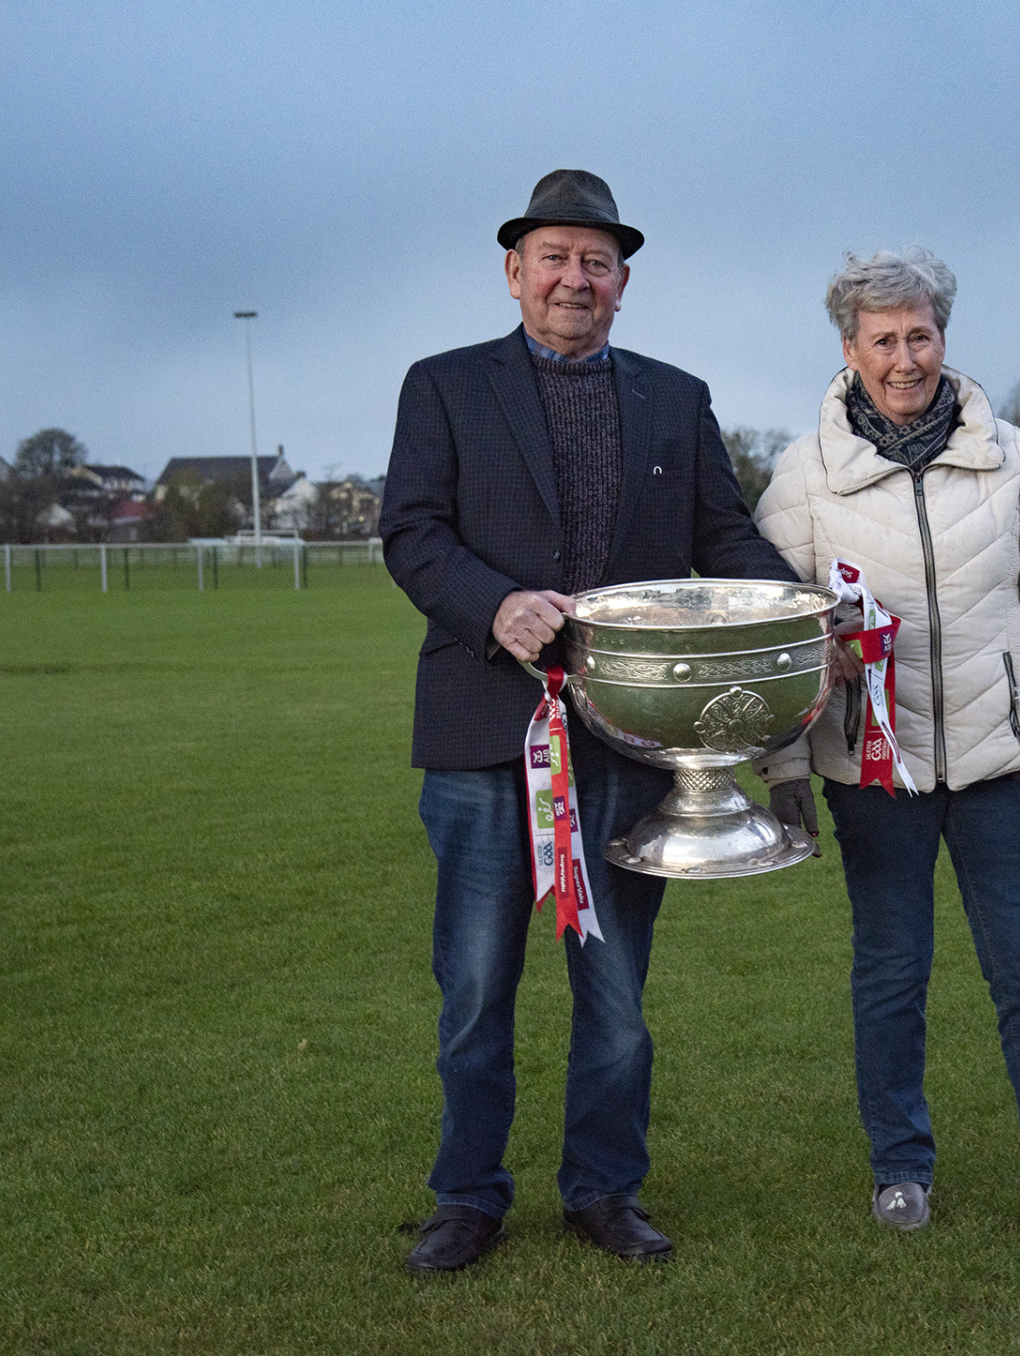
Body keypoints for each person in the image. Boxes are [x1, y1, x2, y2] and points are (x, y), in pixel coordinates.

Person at [379, 170, 795, 1272]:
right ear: (515, 272)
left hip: (628, 744)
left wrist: (806, 610)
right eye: (555, 258)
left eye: (597, 262)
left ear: (624, 283)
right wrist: (494, 604)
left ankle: (604, 1191)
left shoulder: (675, 396)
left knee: (615, 998)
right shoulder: (444, 387)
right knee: (475, 992)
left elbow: (728, 537)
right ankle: (467, 1198)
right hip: (482, 743)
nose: (576, 278)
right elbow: (411, 534)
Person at [752, 249, 1020, 1242]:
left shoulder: (1011, 454)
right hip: (873, 775)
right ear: (850, 348)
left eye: (920, 335)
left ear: (942, 337)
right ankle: (899, 1168)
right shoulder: (803, 476)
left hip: (1000, 765)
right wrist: (787, 770)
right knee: (890, 973)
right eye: (883, 339)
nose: (905, 358)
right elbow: (777, 636)